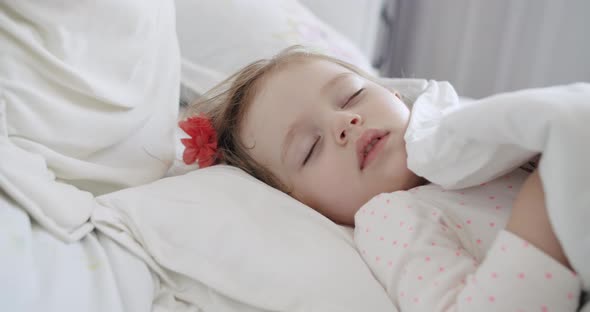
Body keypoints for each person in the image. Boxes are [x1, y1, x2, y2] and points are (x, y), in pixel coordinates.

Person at [183, 46, 582, 310]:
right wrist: (542, 206)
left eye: (352, 95)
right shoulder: (391, 217)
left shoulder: (470, 137)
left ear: (394, 96)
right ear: (304, 204)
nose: (345, 121)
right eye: (310, 147)